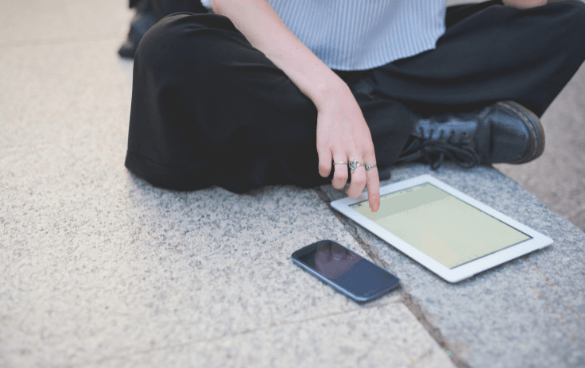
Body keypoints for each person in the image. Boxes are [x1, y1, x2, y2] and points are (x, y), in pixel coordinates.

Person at [124, 0, 585, 213]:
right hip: (274, 57)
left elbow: (531, 3)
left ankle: (340, 134)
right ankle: (413, 135)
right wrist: (329, 93)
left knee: (571, 18)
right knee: (170, 51)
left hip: (398, 59)